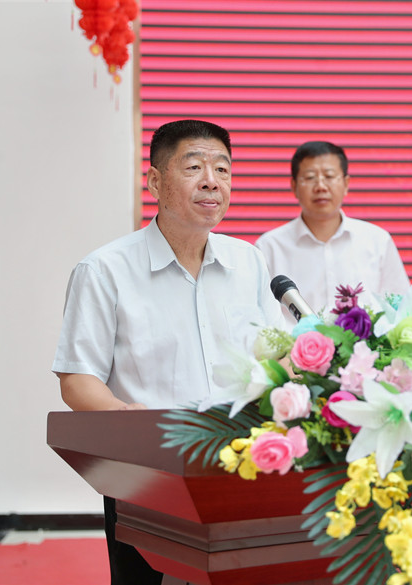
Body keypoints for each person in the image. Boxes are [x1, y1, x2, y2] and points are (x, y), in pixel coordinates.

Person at [52, 119, 284, 585]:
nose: (211, 181)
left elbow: (276, 357)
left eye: (223, 169)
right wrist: (129, 422)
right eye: (194, 167)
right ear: (155, 181)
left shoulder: (249, 262)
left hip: (241, 466)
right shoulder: (104, 270)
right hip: (146, 473)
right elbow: (77, 380)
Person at [255, 140, 410, 322]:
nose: (321, 186)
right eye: (310, 177)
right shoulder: (269, 247)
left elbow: (403, 309)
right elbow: (256, 315)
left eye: (329, 176)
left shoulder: (377, 241)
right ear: (294, 186)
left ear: (346, 183)